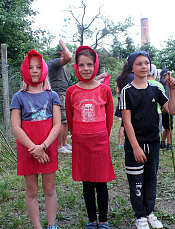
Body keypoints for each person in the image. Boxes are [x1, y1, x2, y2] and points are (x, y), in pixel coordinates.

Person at [119, 51, 175, 229]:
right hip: (135, 144)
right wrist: (135, 147)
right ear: (132, 68)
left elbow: (171, 110)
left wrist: (173, 90)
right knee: (136, 180)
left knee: (151, 178)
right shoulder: (126, 91)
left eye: (146, 63)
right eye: (139, 64)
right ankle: (140, 215)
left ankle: (150, 212)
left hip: (153, 141)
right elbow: (126, 122)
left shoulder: (156, 89)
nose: (144, 66)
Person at [10, 50, 61, 229]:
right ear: (25, 69)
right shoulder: (19, 97)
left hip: (49, 149)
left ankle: (52, 224)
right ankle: (37, 226)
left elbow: (57, 125)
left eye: (38, 67)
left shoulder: (52, 96)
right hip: (27, 150)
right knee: (31, 191)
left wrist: (44, 146)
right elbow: (16, 127)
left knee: (49, 189)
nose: (34, 71)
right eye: (30, 67)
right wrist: (34, 148)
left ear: (44, 69)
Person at [65, 46, 114, 229]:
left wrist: (103, 136)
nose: (86, 68)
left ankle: (103, 220)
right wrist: (76, 135)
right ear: (76, 67)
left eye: (90, 64)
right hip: (81, 143)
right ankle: (92, 220)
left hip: (100, 142)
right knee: (87, 182)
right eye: (81, 65)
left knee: (101, 182)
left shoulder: (104, 90)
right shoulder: (71, 92)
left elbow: (109, 117)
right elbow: (70, 118)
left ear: (96, 65)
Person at [47, 40, 73, 154]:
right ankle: (59, 146)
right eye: (63, 51)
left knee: (66, 120)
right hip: (58, 94)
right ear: (60, 52)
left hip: (64, 93)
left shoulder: (62, 67)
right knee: (61, 121)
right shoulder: (54, 63)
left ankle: (65, 143)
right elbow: (69, 57)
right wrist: (63, 44)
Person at [114, 61, 134, 149]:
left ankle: (120, 143)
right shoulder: (134, 77)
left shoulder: (119, 78)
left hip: (122, 103)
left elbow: (118, 91)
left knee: (123, 124)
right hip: (132, 103)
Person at [147, 64, 165, 149]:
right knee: (156, 132)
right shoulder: (159, 85)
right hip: (157, 113)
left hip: (145, 113)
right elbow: (164, 102)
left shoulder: (142, 84)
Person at [158, 68, 173, 151]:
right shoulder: (167, 84)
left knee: (166, 127)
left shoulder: (159, 83)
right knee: (170, 128)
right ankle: (169, 145)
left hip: (162, 109)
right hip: (167, 108)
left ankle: (162, 142)